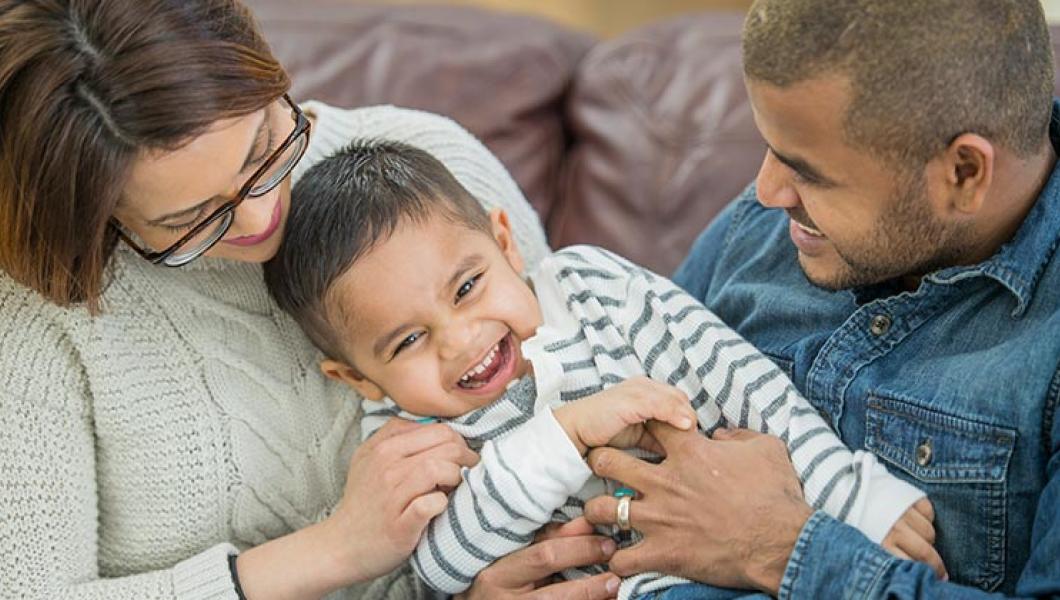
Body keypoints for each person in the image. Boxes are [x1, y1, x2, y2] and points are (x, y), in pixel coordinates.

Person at [0, 1, 606, 598]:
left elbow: (582, 358)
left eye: (263, 146)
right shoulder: (41, 320)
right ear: (103, 219)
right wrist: (337, 549)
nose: (264, 216)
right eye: (192, 219)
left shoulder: (423, 158)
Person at [263, 139, 940, 599]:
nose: (461, 341)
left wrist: (850, 494)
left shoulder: (591, 289)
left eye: (468, 287)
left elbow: (737, 378)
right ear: (359, 379)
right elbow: (443, 564)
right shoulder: (402, 441)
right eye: (408, 341)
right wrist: (567, 433)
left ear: (504, 242)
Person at [573, 1, 1060, 598]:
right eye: (770, 147)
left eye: (809, 172)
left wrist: (779, 546)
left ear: (963, 172)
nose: (766, 191)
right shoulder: (762, 227)